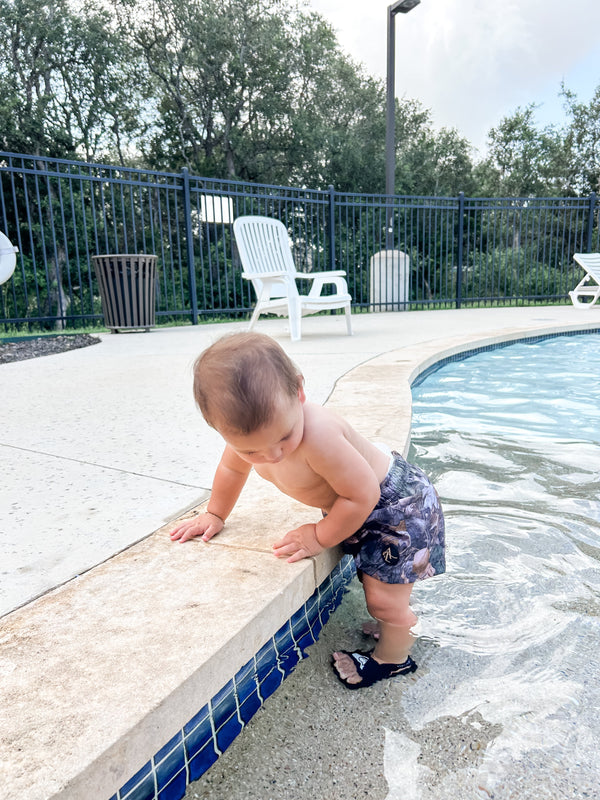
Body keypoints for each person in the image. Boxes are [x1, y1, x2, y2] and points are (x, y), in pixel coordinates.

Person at [170, 332, 445, 689]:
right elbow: (231, 470)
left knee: (383, 599)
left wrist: (318, 536)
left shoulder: (319, 434)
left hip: (395, 508)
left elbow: (362, 496)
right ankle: (391, 623)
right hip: (361, 503)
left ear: (299, 391)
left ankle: (393, 658)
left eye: (284, 437)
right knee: (376, 584)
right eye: (252, 451)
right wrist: (215, 514)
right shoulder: (247, 443)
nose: (272, 456)